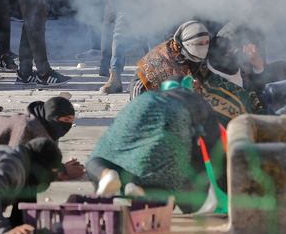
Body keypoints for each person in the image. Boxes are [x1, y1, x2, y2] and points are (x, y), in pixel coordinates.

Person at [87, 77, 224, 212]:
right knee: (174, 182)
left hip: (138, 106)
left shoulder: (152, 94)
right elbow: (215, 151)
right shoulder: (198, 102)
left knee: (103, 155)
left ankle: (106, 174)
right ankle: (144, 191)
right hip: (174, 114)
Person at [129, 21, 210, 98]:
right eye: (199, 44)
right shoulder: (160, 59)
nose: (204, 47)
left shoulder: (205, 59)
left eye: (206, 43)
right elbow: (138, 86)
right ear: (187, 43)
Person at [200, 35, 266, 124]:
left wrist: (258, 66)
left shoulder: (236, 68)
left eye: (235, 51)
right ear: (218, 58)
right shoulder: (213, 86)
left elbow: (257, 90)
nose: (235, 56)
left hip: (261, 104)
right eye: (230, 53)